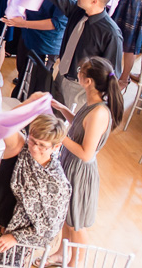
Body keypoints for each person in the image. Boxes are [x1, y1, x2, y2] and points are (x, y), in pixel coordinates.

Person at [0, 112, 71, 268]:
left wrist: (15, 237)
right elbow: (1, 122)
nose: (34, 149)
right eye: (32, 141)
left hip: (18, 237)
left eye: (42, 146)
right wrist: (31, 107)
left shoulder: (58, 184)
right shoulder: (19, 148)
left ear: (56, 146)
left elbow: (50, 228)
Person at [50, 57, 123, 265]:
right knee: (67, 216)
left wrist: (60, 135)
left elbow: (86, 153)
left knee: (76, 223)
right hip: (71, 164)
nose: (78, 72)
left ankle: (76, 262)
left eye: (81, 70)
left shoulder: (100, 112)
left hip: (80, 172)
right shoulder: (92, 104)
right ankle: (62, 253)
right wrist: (63, 110)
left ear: (87, 81)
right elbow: (81, 127)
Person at [4, 0, 80, 97]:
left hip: (45, 43)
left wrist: (23, 23)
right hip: (28, 34)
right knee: (23, 72)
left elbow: (56, 24)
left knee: (35, 86)